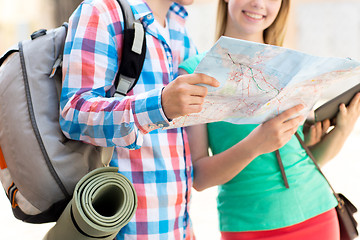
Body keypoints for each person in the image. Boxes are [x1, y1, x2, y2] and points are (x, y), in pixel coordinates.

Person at [180, 0, 360, 239]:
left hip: (318, 214)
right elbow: (199, 178)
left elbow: (298, 164)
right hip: (248, 225)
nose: (258, 3)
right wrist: (256, 144)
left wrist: (342, 130)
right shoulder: (195, 73)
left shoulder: (297, 67)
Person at [59, 0, 220, 239]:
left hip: (176, 228)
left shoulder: (179, 28)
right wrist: (160, 105)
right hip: (122, 228)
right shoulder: (102, 11)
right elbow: (74, 113)